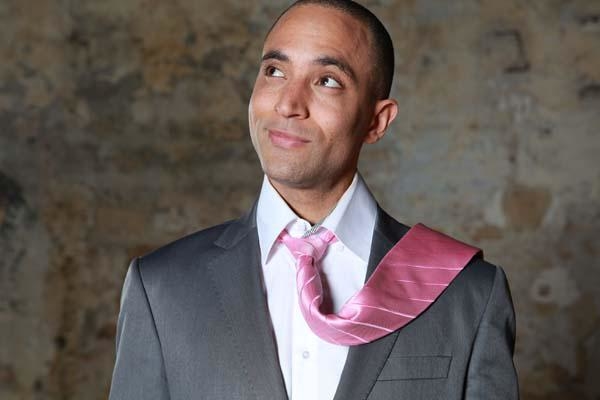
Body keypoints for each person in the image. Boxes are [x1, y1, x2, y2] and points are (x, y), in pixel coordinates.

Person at [109, 1, 519, 399]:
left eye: (327, 81)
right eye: (274, 71)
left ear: (377, 121)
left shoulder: (468, 294)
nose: (288, 104)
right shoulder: (161, 288)